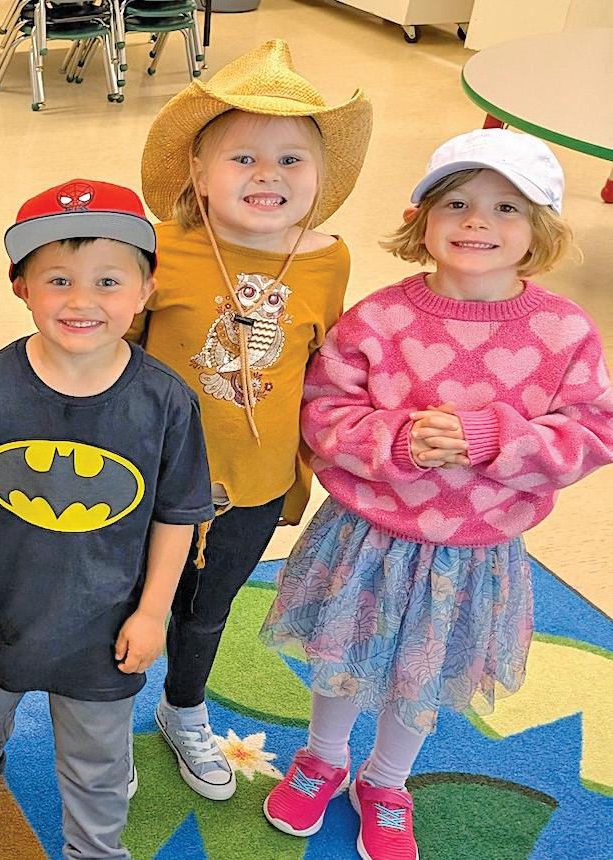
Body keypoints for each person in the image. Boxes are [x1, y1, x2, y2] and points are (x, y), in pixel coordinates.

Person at [260, 129, 613, 860]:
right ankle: (323, 758)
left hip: (472, 552)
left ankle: (387, 782)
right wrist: (394, 440)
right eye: (456, 203)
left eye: (506, 207)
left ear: (541, 228)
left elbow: (593, 432)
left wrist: (491, 437)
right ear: (420, 218)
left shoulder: (564, 332)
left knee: (423, 670)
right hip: (368, 535)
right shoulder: (379, 318)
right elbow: (322, 411)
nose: (477, 221)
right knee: (343, 653)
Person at [0, 181, 212, 860]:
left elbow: (177, 518)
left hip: (104, 628)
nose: (81, 301)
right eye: (58, 280)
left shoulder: (166, 402)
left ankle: (95, 850)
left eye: (108, 281)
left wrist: (152, 614)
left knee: (97, 762)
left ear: (146, 289)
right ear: (20, 286)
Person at [131, 39, 374, 801]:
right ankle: (101, 720)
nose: (268, 175)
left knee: (206, 612)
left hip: (251, 485)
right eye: (243, 158)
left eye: (291, 160)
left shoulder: (328, 259)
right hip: (147, 479)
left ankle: (183, 708)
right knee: (122, 601)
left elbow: (325, 369)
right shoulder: (158, 248)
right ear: (198, 172)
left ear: (321, 177)